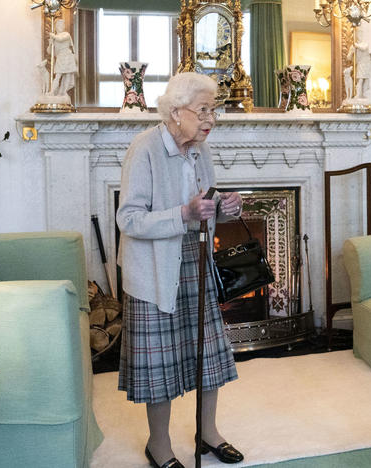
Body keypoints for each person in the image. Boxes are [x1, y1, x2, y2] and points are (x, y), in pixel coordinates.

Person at [116, 72, 245, 468]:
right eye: (203, 110)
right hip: (154, 270)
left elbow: (203, 201)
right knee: (160, 364)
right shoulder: (145, 148)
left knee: (208, 354)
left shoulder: (200, 150)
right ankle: (159, 445)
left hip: (196, 261)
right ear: (176, 112)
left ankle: (208, 433)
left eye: (214, 110)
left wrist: (222, 207)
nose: (211, 119)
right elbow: (129, 219)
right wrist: (184, 213)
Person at [48, 18, 78, 96]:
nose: (61, 26)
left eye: (62, 24)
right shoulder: (54, 37)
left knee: (68, 75)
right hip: (60, 57)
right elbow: (49, 51)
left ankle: (64, 92)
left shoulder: (66, 34)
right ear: (56, 26)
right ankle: (52, 92)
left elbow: (60, 39)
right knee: (58, 76)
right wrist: (50, 44)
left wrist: (53, 36)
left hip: (67, 56)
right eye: (59, 25)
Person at [346, 27, 371, 100]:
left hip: (367, 64)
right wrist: (351, 53)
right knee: (360, 79)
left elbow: (364, 48)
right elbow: (348, 58)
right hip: (360, 64)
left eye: (361, 34)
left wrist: (356, 45)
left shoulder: (364, 44)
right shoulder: (354, 46)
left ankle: (362, 94)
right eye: (358, 34)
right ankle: (358, 95)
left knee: (366, 80)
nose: (360, 36)